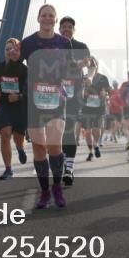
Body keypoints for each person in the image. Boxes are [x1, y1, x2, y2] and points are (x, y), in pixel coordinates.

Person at [20, 4, 72, 208]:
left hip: (56, 99)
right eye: (44, 15)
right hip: (34, 101)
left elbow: (69, 69)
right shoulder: (28, 42)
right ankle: (44, 192)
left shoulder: (64, 42)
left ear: (55, 19)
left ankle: (57, 187)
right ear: (38, 18)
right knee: (39, 148)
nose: (47, 18)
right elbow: (16, 63)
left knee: (54, 146)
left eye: (51, 15)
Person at [58, 16, 90, 186]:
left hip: (74, 95)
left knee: (69, 130)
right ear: (59, 29)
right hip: (52, 94)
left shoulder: (81, 47)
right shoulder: (53, 45)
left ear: (74, 30)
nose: (66, 29)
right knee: (56, 132)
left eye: (69, 27)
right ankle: (59, 161)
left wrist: (89, 77)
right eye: (63, 27)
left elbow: (91, 65)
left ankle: (68, 167)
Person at [0, 37, 29, 179]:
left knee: (19, 138)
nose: (10, 52)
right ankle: (8, 169)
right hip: (5, 105)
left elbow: (29, 89)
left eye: (13, 49)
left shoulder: (24, 69)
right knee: (5, 134)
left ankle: (20, 149)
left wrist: (19, 96)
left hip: (20, 107)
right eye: (7, 49)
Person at [80, 59, 111, 160]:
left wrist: (105, 94)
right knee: (88, 132)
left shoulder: (103, 78)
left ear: (97, 67)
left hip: (99, 107)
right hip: (86, 108)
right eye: (89, 66)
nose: (91, 68)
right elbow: (78, 91)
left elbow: (109, 91)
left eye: (93, 66)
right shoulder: (84, 77)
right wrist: (82, 92)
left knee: (96, 130)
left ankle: (96, 144)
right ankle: (90, 152)